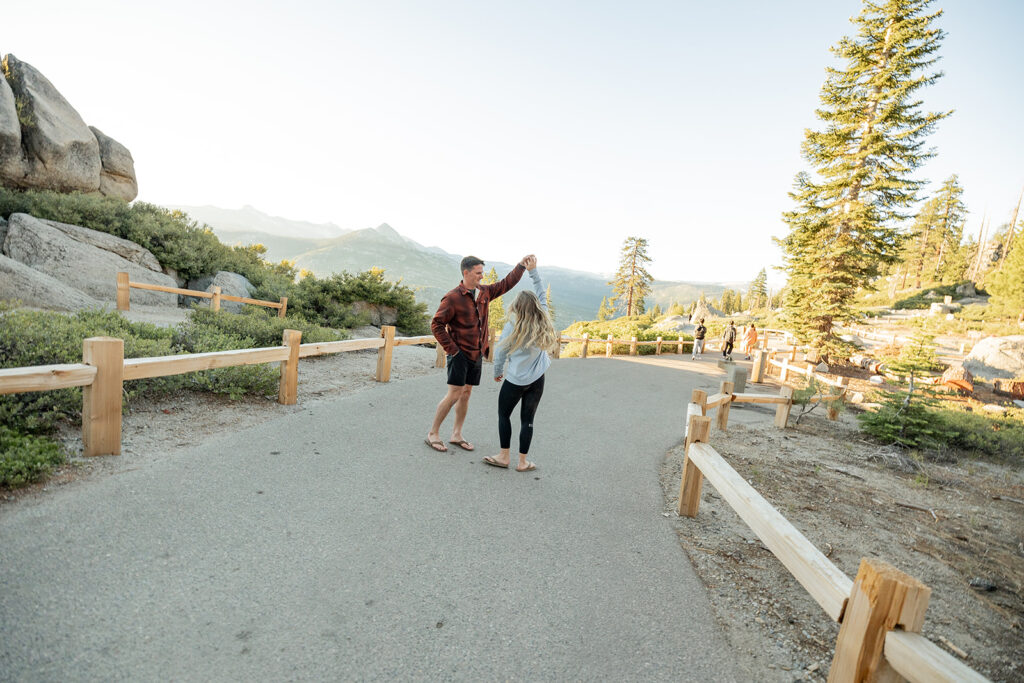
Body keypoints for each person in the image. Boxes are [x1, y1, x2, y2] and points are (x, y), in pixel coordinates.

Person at [426, 253, 534, 453]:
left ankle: (456, 434)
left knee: (466, 394)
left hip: (476, 354)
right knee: (454, 394)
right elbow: (436, 325)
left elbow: (506, 284)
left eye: (482, 273)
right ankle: (433, 433)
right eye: (478, 273)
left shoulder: (484, 293)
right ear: (466, 273)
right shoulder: (452, 298)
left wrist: (520, 266)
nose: (482, 277)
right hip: (459, 354)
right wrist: (453, 350)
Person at [484, 257, 553, 472]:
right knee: (527, 420)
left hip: (514, 380)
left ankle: (504, 456)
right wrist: (533, 272)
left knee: (504, 415)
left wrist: (497, 372)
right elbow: (541, 293)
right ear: (535, 307)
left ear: (516, 307)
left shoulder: (511, 327)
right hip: (537, 380)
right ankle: (523, 462)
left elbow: (502, 352)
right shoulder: (543, 320)